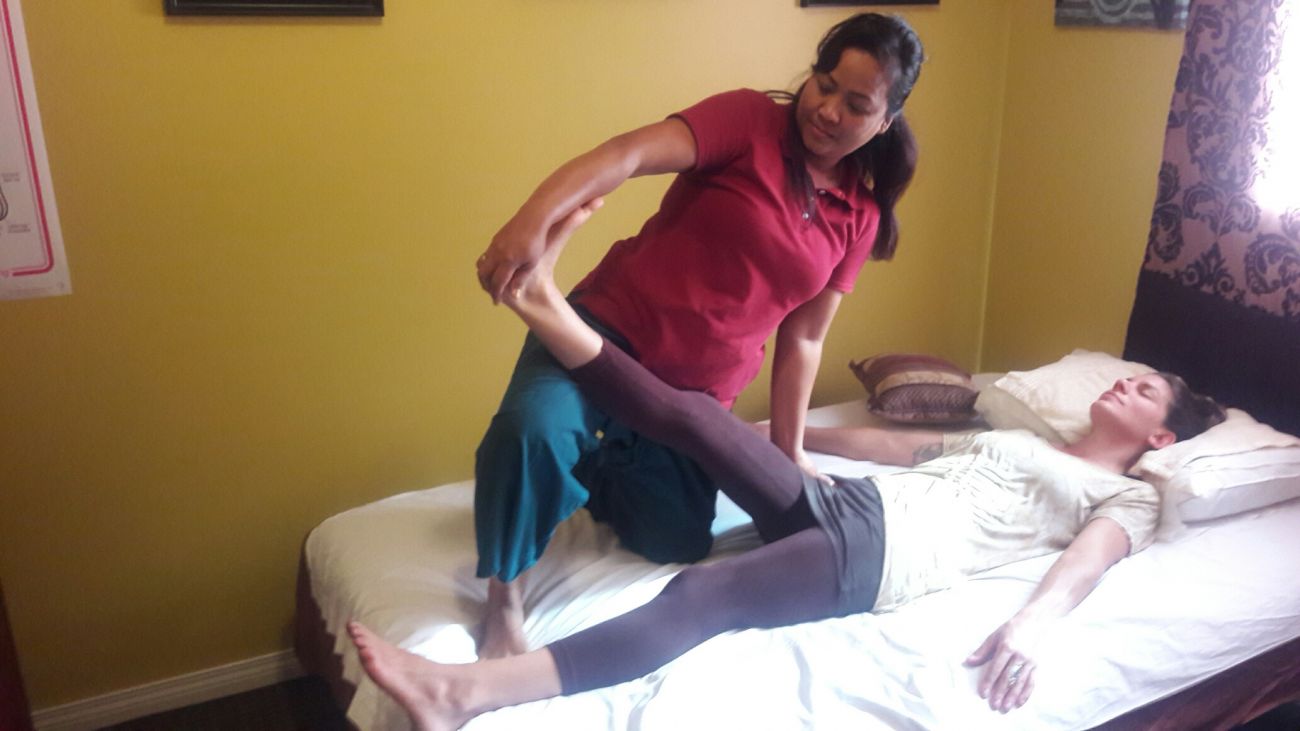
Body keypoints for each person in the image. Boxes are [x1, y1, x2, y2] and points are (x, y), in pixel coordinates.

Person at [348, 203, 1228, 730]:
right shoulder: (1022, 439)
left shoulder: (1125, 496)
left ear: (1160, 437)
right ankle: (545, 304)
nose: (1125, 383)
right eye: (1130, 375)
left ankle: (465, 692)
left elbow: (1085, 565)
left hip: (886, 557)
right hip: (851, 505)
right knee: (698, 417)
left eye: (1144, 389)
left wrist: (1031, 626)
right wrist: (787, 437)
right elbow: (899, 447)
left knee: (702, 595)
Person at [472, 12, 926, 659]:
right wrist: (530, 222)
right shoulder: (747, 121)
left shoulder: (860, 215)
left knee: (675, 539)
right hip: (603, 334)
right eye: (824, 84)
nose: (828, 110)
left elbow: (803, 340)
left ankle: (595, 458)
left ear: (885, 121)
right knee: (531, 433)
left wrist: (791, 450)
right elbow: (625, 154)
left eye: (856, 105)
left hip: (690, 399)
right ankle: (504, 598)